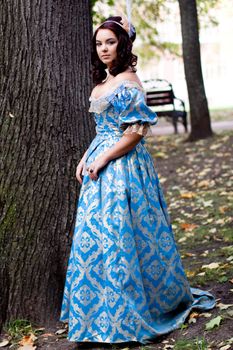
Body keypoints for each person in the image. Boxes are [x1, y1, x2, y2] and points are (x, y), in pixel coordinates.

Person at [60, 15, 215, 344]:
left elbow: (134, 133)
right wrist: (87, 155)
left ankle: (128, 314)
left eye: (111, 42)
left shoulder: (128, 82)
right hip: (99, 169)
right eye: (99, 43)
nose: (104, 49)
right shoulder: (104, 81)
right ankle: (98, 312)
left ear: (123, 45)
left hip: (124, 169)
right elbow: (103, 130)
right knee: (99, 238)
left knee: (122, 237)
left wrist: (102, 157)